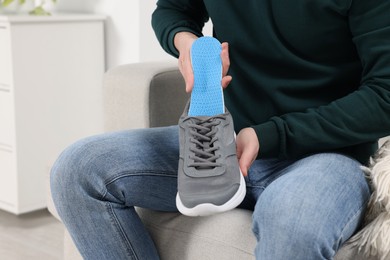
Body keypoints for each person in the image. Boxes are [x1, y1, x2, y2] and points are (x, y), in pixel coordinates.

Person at [50, 0, 390, 259]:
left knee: (294, 226)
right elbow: (173, 9)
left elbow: (385, 96)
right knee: (78, 170)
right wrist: (187, 43)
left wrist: (271, 134)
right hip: (218, 143)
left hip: (325, 155)